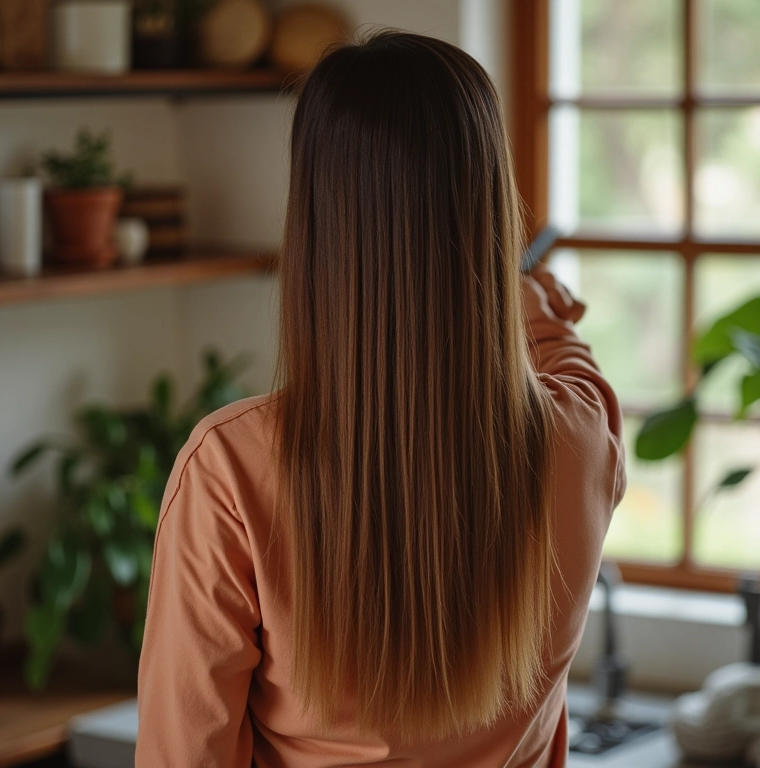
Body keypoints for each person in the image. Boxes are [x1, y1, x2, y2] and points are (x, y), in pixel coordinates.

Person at [136, 31, 625, 767]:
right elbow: (569, 362)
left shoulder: (229, 469)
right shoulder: (580, 439)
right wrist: (523, 297)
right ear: (490, 211)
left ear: (315, 225)